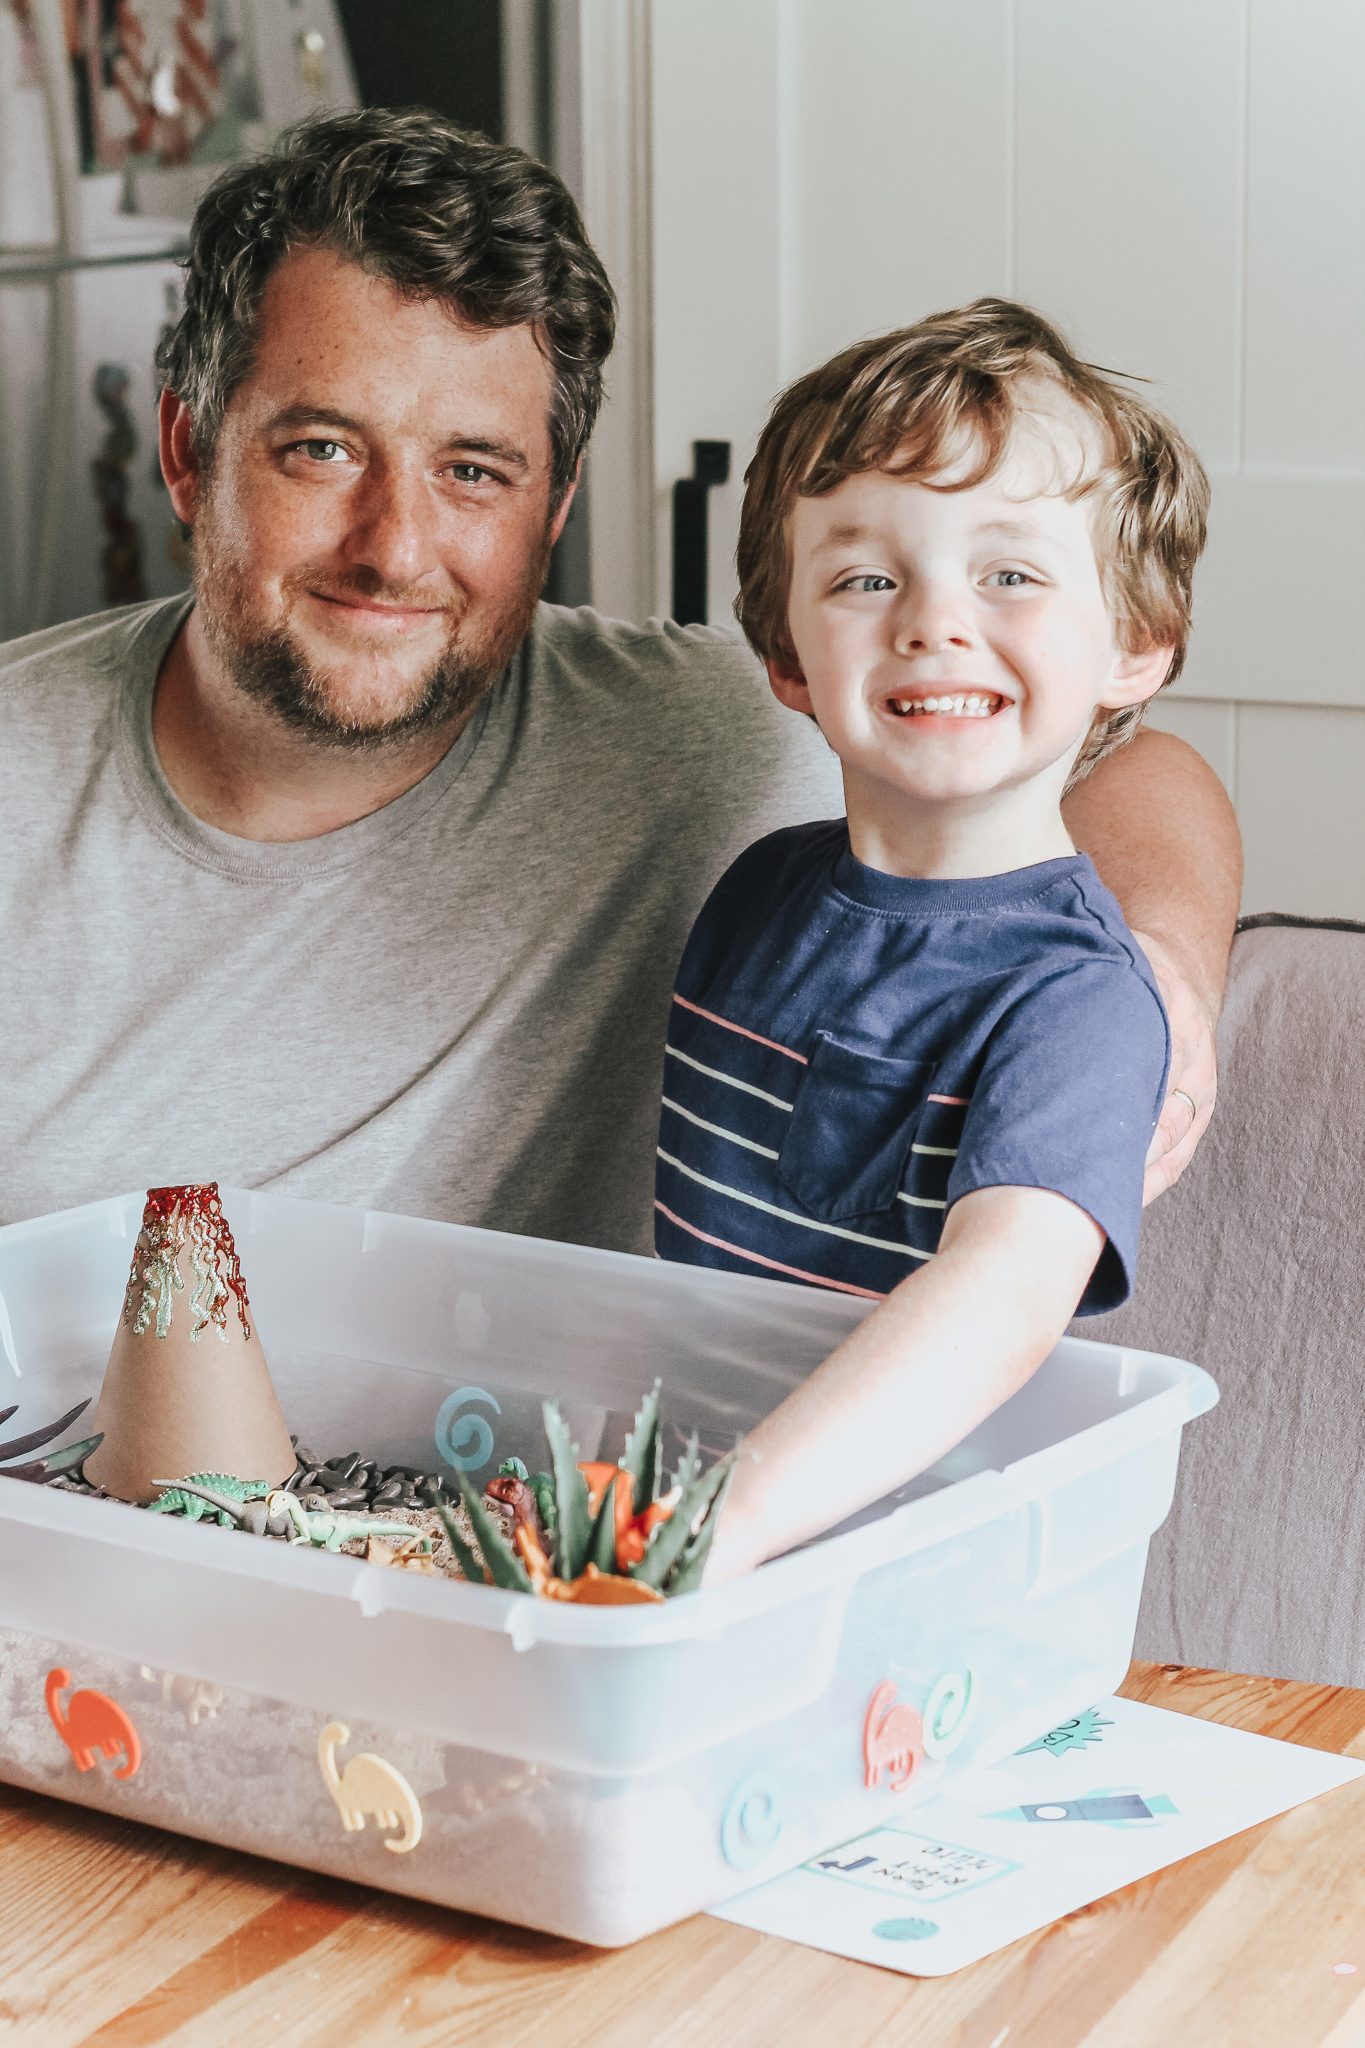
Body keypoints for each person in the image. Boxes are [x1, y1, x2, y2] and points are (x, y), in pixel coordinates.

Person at [0, 109, 1235, 1261]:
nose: (395, 545)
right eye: (320, 450)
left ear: (557, 505)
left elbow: (1134, 762)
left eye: (475, 471)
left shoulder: (695, 736)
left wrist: (1158, 968)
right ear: (186, 449)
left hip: (531, 1488)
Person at [655, 301, 1215, 1578]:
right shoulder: (749, 894)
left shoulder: (1081, 1000)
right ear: (786, 655)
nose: (932, 618)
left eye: (1010, 571)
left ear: (1135, 643)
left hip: (914, 1592)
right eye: (864, 576)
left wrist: (713, 1527)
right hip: (680, 1559)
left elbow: (1001, 1303)